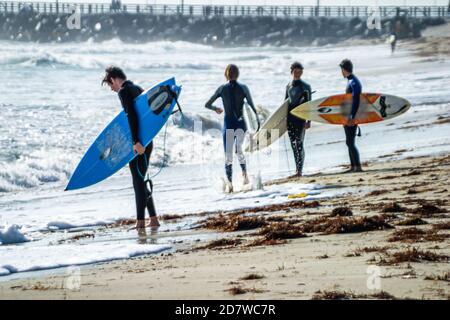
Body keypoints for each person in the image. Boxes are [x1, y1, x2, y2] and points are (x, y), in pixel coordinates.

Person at [102, 66, 160, 229]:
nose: (112, 89)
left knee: (138, 182)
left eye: (110, 85)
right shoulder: (137, 88)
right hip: (146, 141)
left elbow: (132, 116)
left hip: (139, 143)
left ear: (113, 79)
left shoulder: (123, 91)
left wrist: (135, 142)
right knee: (140, 181)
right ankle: (153, 219)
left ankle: (140, 222)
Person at [205, 64, 258, 193]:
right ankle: (245, 175)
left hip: (229, 124)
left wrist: (215, 109)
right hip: (241, 124)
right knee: (239, 150)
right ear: (237, 74)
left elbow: (207, 104)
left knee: (228, 154)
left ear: (226, 74)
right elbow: (252, 108)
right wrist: (257, 125)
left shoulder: (222, 89)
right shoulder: (244, 88)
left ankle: (230, 184)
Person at [285, 62, 312, 177]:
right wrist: (284, 122)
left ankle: (299, 171)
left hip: (301, 119)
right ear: (291, 71)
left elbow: (310, 105)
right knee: (293, 144)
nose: (298, 73)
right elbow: (285, 105)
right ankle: (297, 169)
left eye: (300, 71)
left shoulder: (306, 86)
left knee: (299, 144)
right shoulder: (288, 86)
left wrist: (308, 121)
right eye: (295, 71)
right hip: (290, 119)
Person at [339, 59, 363, 173]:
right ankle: (353, 166)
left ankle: (357, 166)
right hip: (348, 116)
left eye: (341, 70)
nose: (341, 72)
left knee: (350, 142)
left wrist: (352, 116)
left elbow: (356, 99)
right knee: (349, 142)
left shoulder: (353, 81)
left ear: (344, 70)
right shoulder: (351, 81)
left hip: (351, 116)